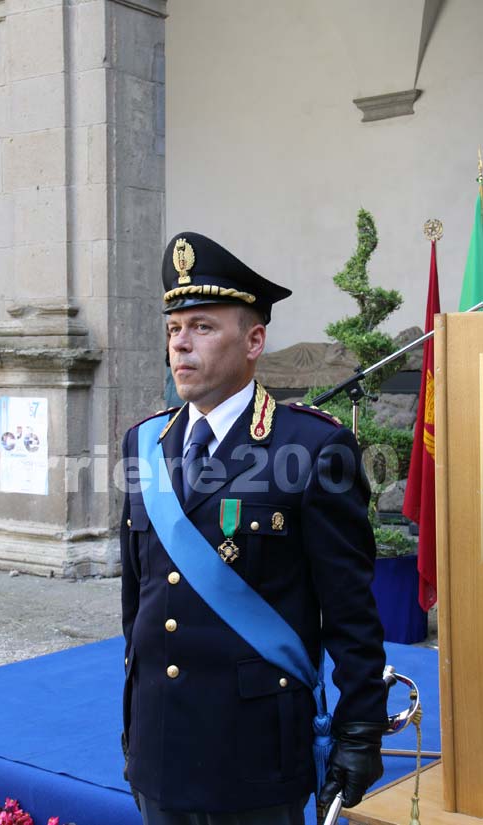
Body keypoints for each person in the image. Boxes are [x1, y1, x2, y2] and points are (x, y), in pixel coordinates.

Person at [120, 232, 388, 825]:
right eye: (173, 329)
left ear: (254, 340)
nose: (181, 346)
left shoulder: (313, 449)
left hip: (255, 751)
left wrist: (361, 727)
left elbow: (350, 610)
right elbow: (136, 598)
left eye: (203, 327)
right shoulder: (143, 443)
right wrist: (135, 724)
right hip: (159, 745)